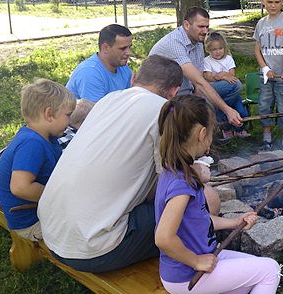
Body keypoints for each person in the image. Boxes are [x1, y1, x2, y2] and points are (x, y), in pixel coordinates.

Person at [39, 55, 206, 273]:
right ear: (174, 92)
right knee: (199, 206)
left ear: (134, 78)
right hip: (93, 248)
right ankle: (198, 286)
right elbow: (171, 183)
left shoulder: (108, 100)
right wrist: (198, 174)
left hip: (52, 230)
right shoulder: (165, 113)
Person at [154, 95, 280, 294]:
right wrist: (195, 261)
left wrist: (235, 222)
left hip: (194, 262)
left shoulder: (176, 171)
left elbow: (198, 221)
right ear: (202, 133)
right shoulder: (182, 184)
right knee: (270, 270)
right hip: (185, 275)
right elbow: (163, 238)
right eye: (211, 132)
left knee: (251, 269)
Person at [0, 79, 75, 241]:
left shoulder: (43, 136)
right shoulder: (32, 144)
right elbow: (20, 187)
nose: (70, 121)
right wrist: (55, 197)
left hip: (39, 213)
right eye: (68, 115)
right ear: (49, 114)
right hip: (31, 222)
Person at [149, 7, 243, 129]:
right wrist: (227, 110)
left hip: (187, 92)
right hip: (165, 98)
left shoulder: (198, 43)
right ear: (187, 25)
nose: (205, 31)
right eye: (201, 27)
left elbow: (198, 83)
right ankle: (211, 122)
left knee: (235, 85)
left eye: (207, 27)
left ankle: (210, 122)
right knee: (206, 105)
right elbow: (199, 81)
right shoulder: (175, 43)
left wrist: (201, 104)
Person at [253, 0, 283, 151]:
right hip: (266, 76)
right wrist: (265, 69)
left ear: (282, 1)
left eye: (277, 2)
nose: (273, 5)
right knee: (264, 105)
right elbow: (257, 50)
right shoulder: (261, 24)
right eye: (269, 2)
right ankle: (267, 137)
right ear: (263, 0)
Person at [66, 24, 134, 102]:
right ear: (105, 48)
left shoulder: (122, 67)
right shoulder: (90, 73)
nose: (128, 52)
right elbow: (96, 113)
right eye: (123, 48)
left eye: (129, 47)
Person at [202, 31, 250, 139]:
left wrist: (222, 75)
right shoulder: (207, 61)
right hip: (218, 93)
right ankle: (227, 129)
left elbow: (232, 76)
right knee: (221, 114)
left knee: (242, 112)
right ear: (208, 49)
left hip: (230, 94)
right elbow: (207, 77)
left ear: (224, 47)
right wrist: (221, 77)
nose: (217, 52)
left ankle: (239, 129)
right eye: (214, 49)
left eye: (220, 48)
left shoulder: (228, 59)